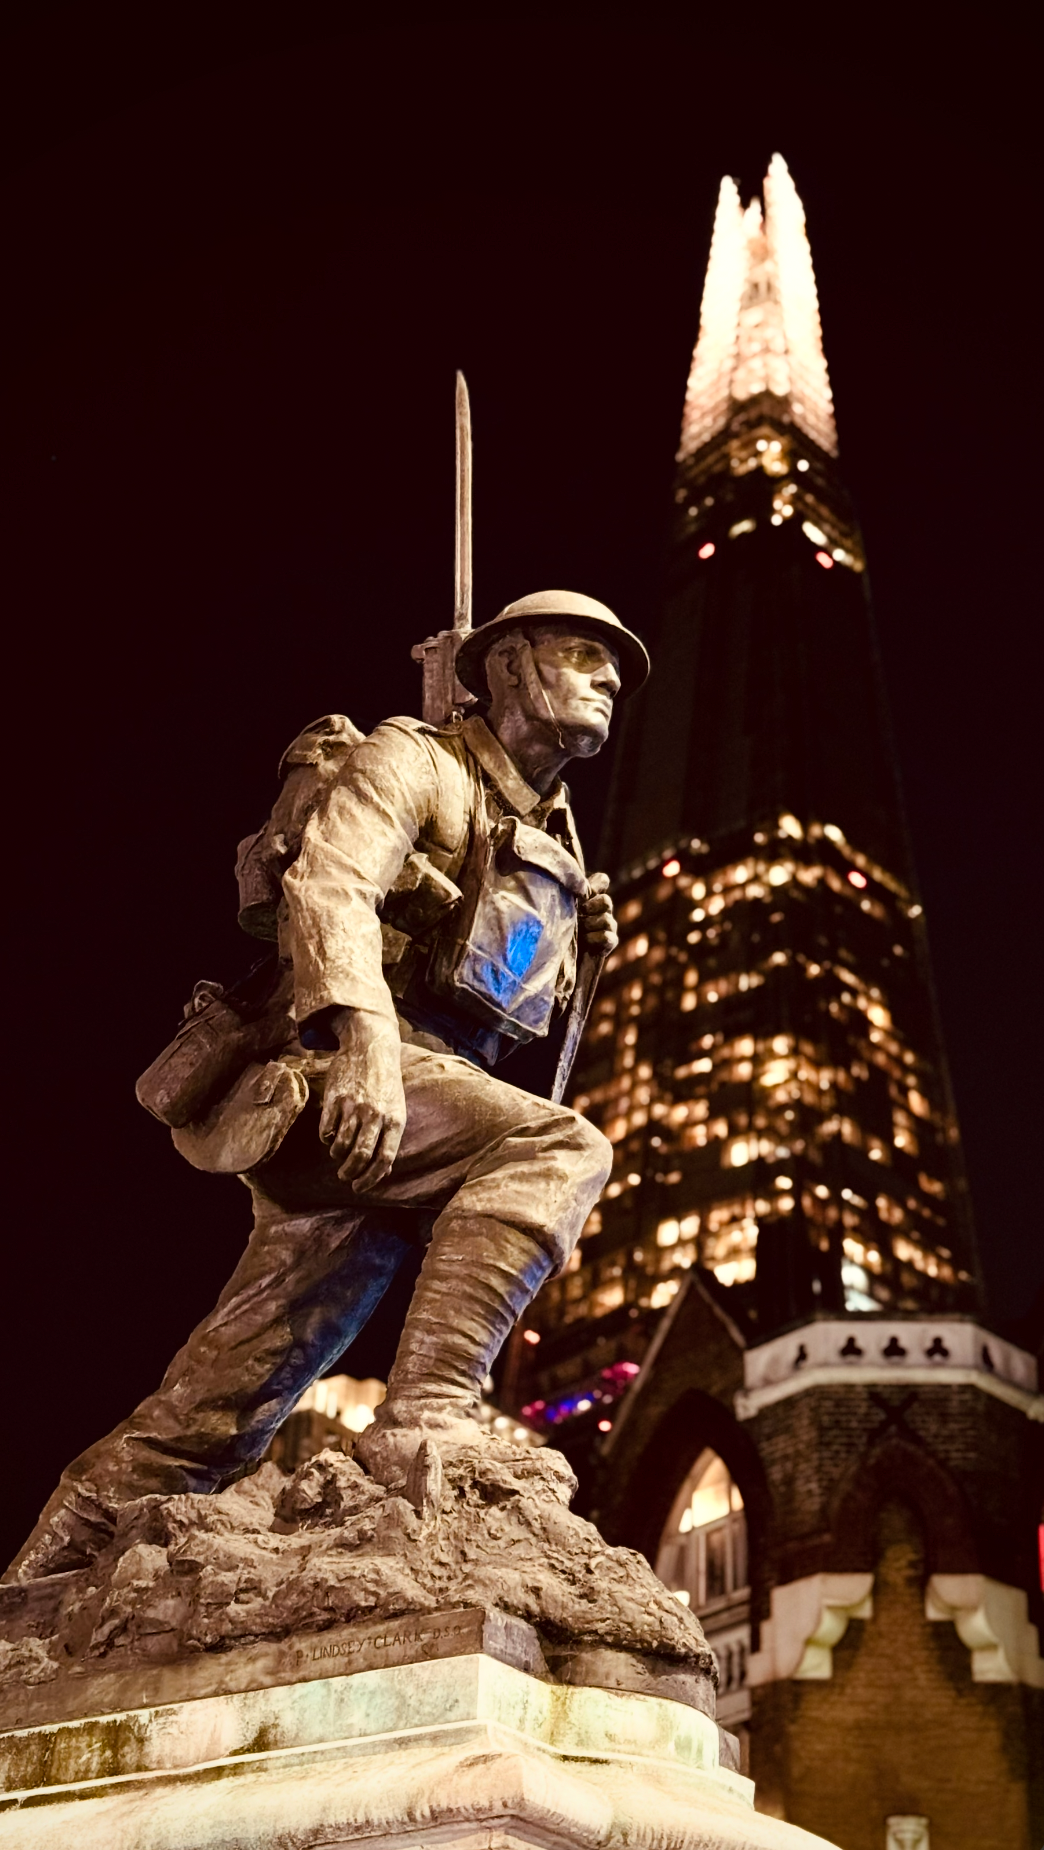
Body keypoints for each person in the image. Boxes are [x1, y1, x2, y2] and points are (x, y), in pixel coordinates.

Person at [4, 590, 650, 1583]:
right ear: (513, 666)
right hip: (335, 1081)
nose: (608, 678)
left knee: (220, 1405)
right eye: (582, 655)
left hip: (416, 1110)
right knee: (560, 1146)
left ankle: (31, 1595)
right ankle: (430, 1410)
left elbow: (498, 1005)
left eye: (616, 668)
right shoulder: (418, 759)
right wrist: (364, 1047)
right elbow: (329, 885)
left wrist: (579, 948)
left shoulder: (549, 833)